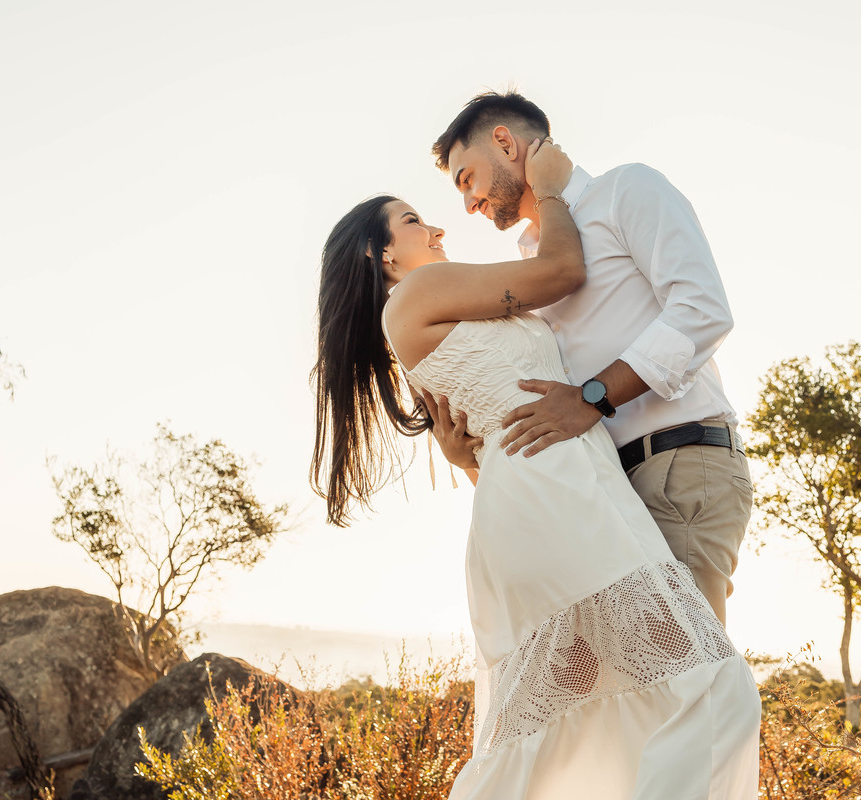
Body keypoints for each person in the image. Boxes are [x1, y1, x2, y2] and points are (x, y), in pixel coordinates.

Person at [311, 140, 759, 798]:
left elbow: (496, 424)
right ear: (382, 256)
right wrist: (549, 189)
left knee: (576, 710)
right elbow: (562, 272)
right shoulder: (423, 292)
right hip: (559, 497)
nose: (438, 225)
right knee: (702, 685)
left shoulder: (437, 305)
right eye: (412, 222)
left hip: (560, 490)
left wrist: (465, 459)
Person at [430, 91, 751, 627]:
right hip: (604, 494)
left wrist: (591, 398)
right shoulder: (533, 255)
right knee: (626, 688)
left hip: (676, 465)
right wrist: (468, 452)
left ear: (505, 143)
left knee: (693, 684)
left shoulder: (627, 189)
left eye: (468, 180)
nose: (468, 206)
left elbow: (702, 310)